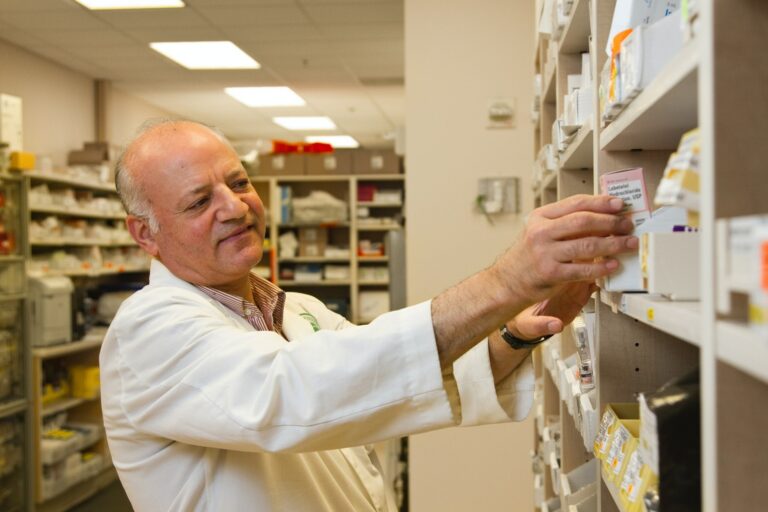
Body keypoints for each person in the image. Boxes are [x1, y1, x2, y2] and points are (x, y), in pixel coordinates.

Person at [100, 119, 637, 511]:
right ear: (145, 233)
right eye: (199, 202)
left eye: (238, 183)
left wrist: (516, 334)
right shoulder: (148, 334)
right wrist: (503, 283)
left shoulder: (297, 311)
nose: (236, 207)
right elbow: (296, 392)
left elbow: (389, 384)